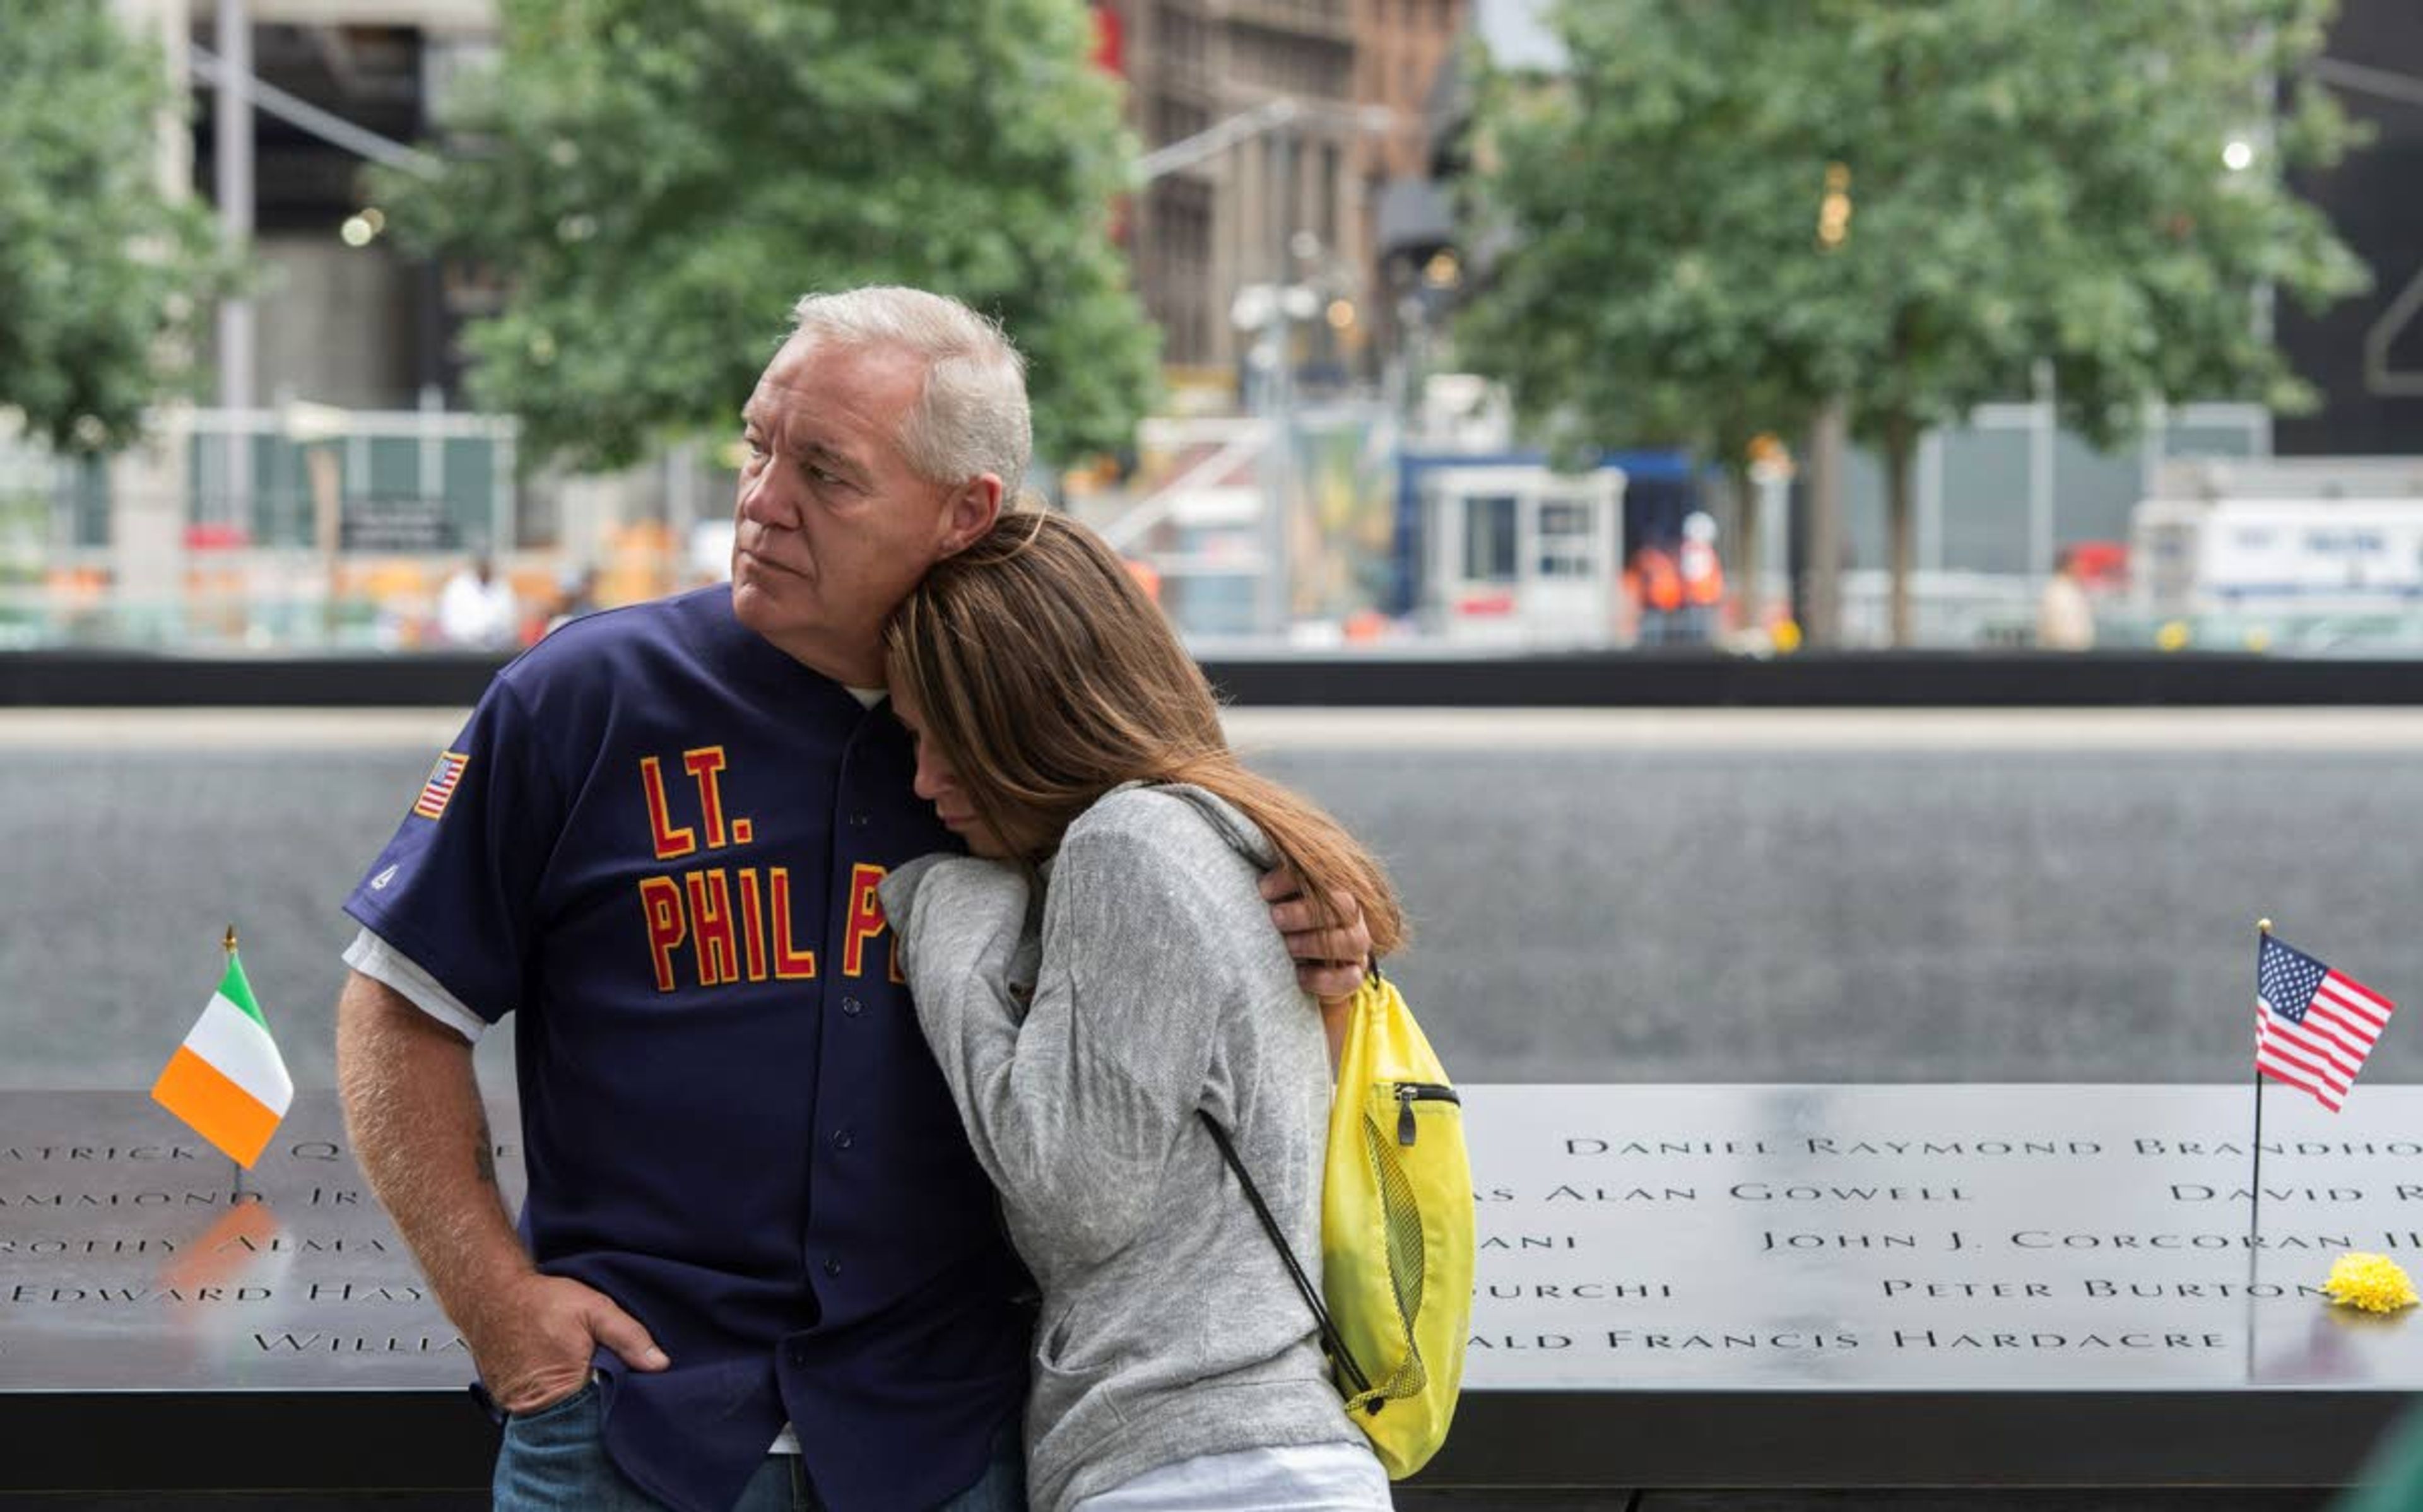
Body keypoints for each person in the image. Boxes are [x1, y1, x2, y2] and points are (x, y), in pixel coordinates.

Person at [333, 288, 1371, 1512]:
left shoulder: (1042, 758)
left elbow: (1225, 1025)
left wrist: (1321, 943)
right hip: (628, 1426)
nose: (763, 498)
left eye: (827, 472)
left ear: (965, 510)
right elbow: (397, 1010)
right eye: (758, 444)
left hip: (948, 1444)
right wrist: (501, 1310)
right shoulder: (581, 697)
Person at [876, 510, 1401, 1512]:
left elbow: (1071, 1199)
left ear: (1034, 719)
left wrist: (947, 917)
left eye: (946, 738)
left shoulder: (1129, 848)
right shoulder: (1207, 841)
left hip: (1202, 1471)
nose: (924, 780)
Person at [435, 553, 520, 648]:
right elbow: (450, 623)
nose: (485, 569)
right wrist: (476, 635)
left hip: (497, 648)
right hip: (463, 648)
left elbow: (510, 621)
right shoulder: (457, 586)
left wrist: (493, 634)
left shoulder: (502, 586)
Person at [2037, 545, 2096, 650]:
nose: (2082, 568)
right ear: (2069, 566)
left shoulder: (2069, 589)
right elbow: (2064, 635)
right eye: (2078, 564)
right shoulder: (2059, 593)